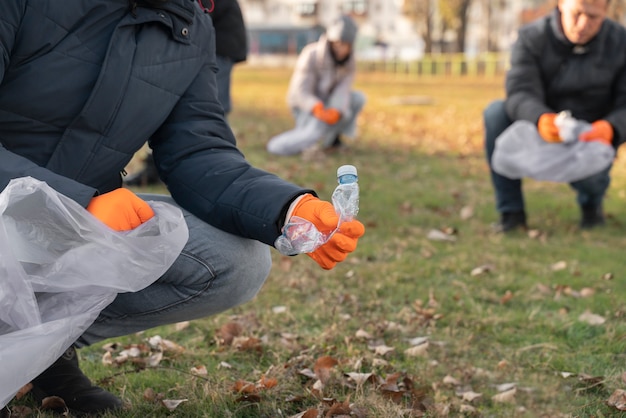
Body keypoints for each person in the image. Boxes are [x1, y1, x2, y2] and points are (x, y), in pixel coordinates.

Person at [0, 1, 364, 415]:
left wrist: (288, 209)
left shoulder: (191, 26)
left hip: (82, 218)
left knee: (235, 262)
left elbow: (198, 151)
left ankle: (41, 348)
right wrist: (72, 203)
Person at [483, 0, 626, 231]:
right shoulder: (531, 37)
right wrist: (539, 118)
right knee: (496, 113)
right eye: (577, 14)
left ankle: (591, 207)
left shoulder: (621, 42)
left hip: (591, 134)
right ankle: (511, 213)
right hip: (543, 126)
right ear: (561, 3)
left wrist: (612, 128)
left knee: (593, 178)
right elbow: (520, 90)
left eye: (593, 17)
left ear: (606, 11)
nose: (583, 24)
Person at [124, 0, 248, 187]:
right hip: (216, 44)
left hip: (219, 47)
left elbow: (196, 14)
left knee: (212, 109)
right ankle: (168, 167)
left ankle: (216, 170)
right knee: (195, 108)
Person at [266, 15, 366, 155]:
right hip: (307, 106)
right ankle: (279, 145)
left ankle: (332, 139)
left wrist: (336, 109)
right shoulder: (311, 54)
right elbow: (300, 91)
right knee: (311, 134)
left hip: (329, 104)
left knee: (357, 98)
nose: (340, 48)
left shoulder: (350, 62)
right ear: (331, 41)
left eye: (345, 44)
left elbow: (343, 89)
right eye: (337, 43)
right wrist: (316, 107)